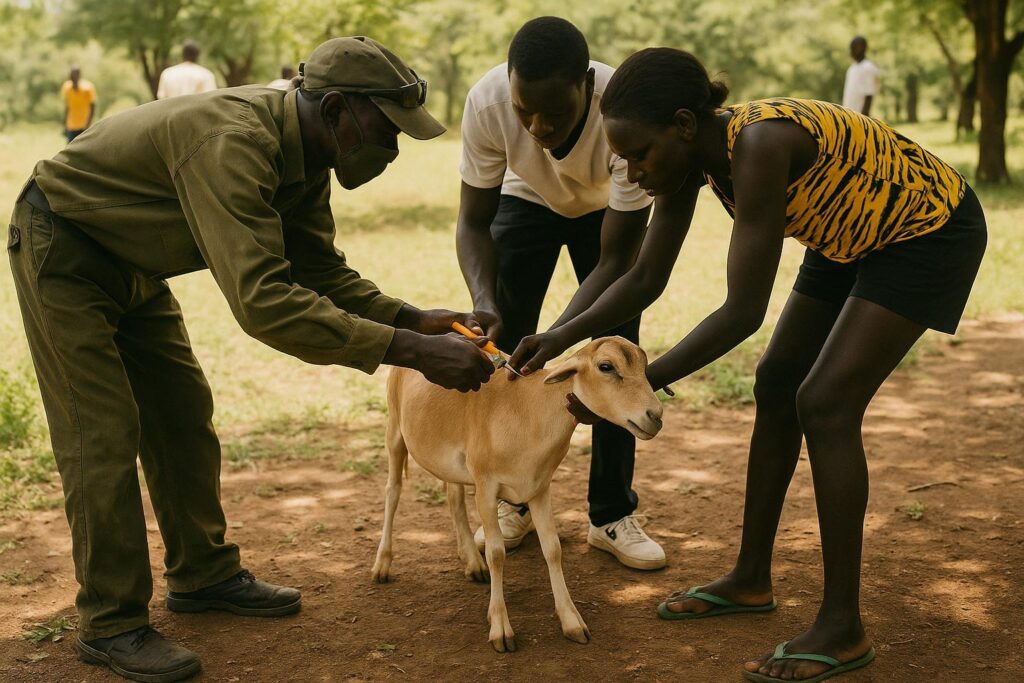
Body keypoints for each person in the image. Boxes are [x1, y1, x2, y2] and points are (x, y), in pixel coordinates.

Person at [7, 36, 494, 682]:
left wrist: (411, 318)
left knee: (181, 412)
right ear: (336, 110)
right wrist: (412, 352)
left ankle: (201, 573)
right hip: (65, 249)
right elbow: (263, 300)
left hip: (132, 262)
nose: (393, 148)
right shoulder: (234, 142)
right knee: (102, 432)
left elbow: (318, 271)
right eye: (387, 130)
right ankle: (111, 621)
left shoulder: (307, 157)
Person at [509, 48, 985, 682]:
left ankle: (842, 627)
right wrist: (560, 336)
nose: (634, 172)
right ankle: (751, 578)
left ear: (684, 124)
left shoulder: (759, 146)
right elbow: (646, 276)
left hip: (927, 231)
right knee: (777, 382)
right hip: (847, 235)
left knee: (825, 404)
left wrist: (635, 388)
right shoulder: (687, 162)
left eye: (641, 155)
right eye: (624, 160)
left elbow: (742, 312)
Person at [457, 17, 664, 570]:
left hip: (608, 212)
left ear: (587, 87)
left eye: (555, 111)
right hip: (525, 200)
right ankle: (514, 501)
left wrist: (562, 336)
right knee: (508, 347)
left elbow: (618, 261)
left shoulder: (623, 107)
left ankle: (611, 514)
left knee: (614, 353)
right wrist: (484, 301)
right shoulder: (487, 104)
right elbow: (473, 223)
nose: (539, 126)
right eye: (526, 111)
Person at [842, 36, 881, 116]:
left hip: (859, 117)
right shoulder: (852, 68)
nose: (851, 51)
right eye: (851, 48)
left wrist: (863, 119)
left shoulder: (868, 67)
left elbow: (869, 95)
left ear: (863, 48)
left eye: (854, 48)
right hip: (848, 115)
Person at [60, 65, 96, 143]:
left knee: (85, 148)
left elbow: (92, 107)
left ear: (79, 75)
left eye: (75, 74)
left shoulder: (88, 87)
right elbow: (67, 106)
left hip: (84, 126)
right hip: (71, 126)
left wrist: (88, 124)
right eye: (72, 74)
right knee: (70, 148)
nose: (73, 76)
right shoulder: (66, 87)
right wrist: (64, 124)